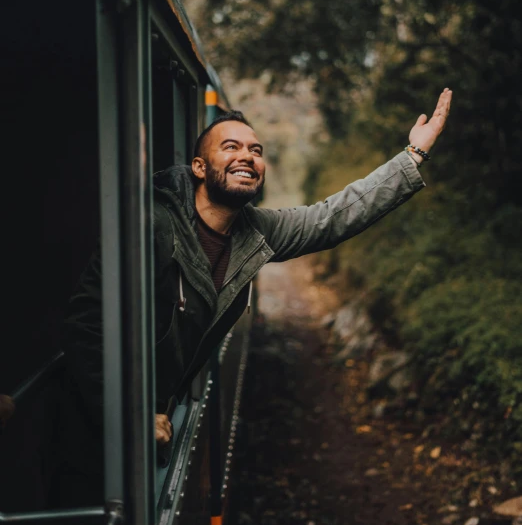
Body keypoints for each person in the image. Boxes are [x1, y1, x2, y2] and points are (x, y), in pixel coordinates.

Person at [61, 87, 452, 473]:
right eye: (230, 147)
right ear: (199, 167)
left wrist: (412, 155)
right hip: (88, 425)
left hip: (152, 431)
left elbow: (332, 217)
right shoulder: (152, 224)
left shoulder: (255, 229)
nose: (246, 156)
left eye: (255, 150)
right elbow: (88, 325)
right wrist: (130, 415)